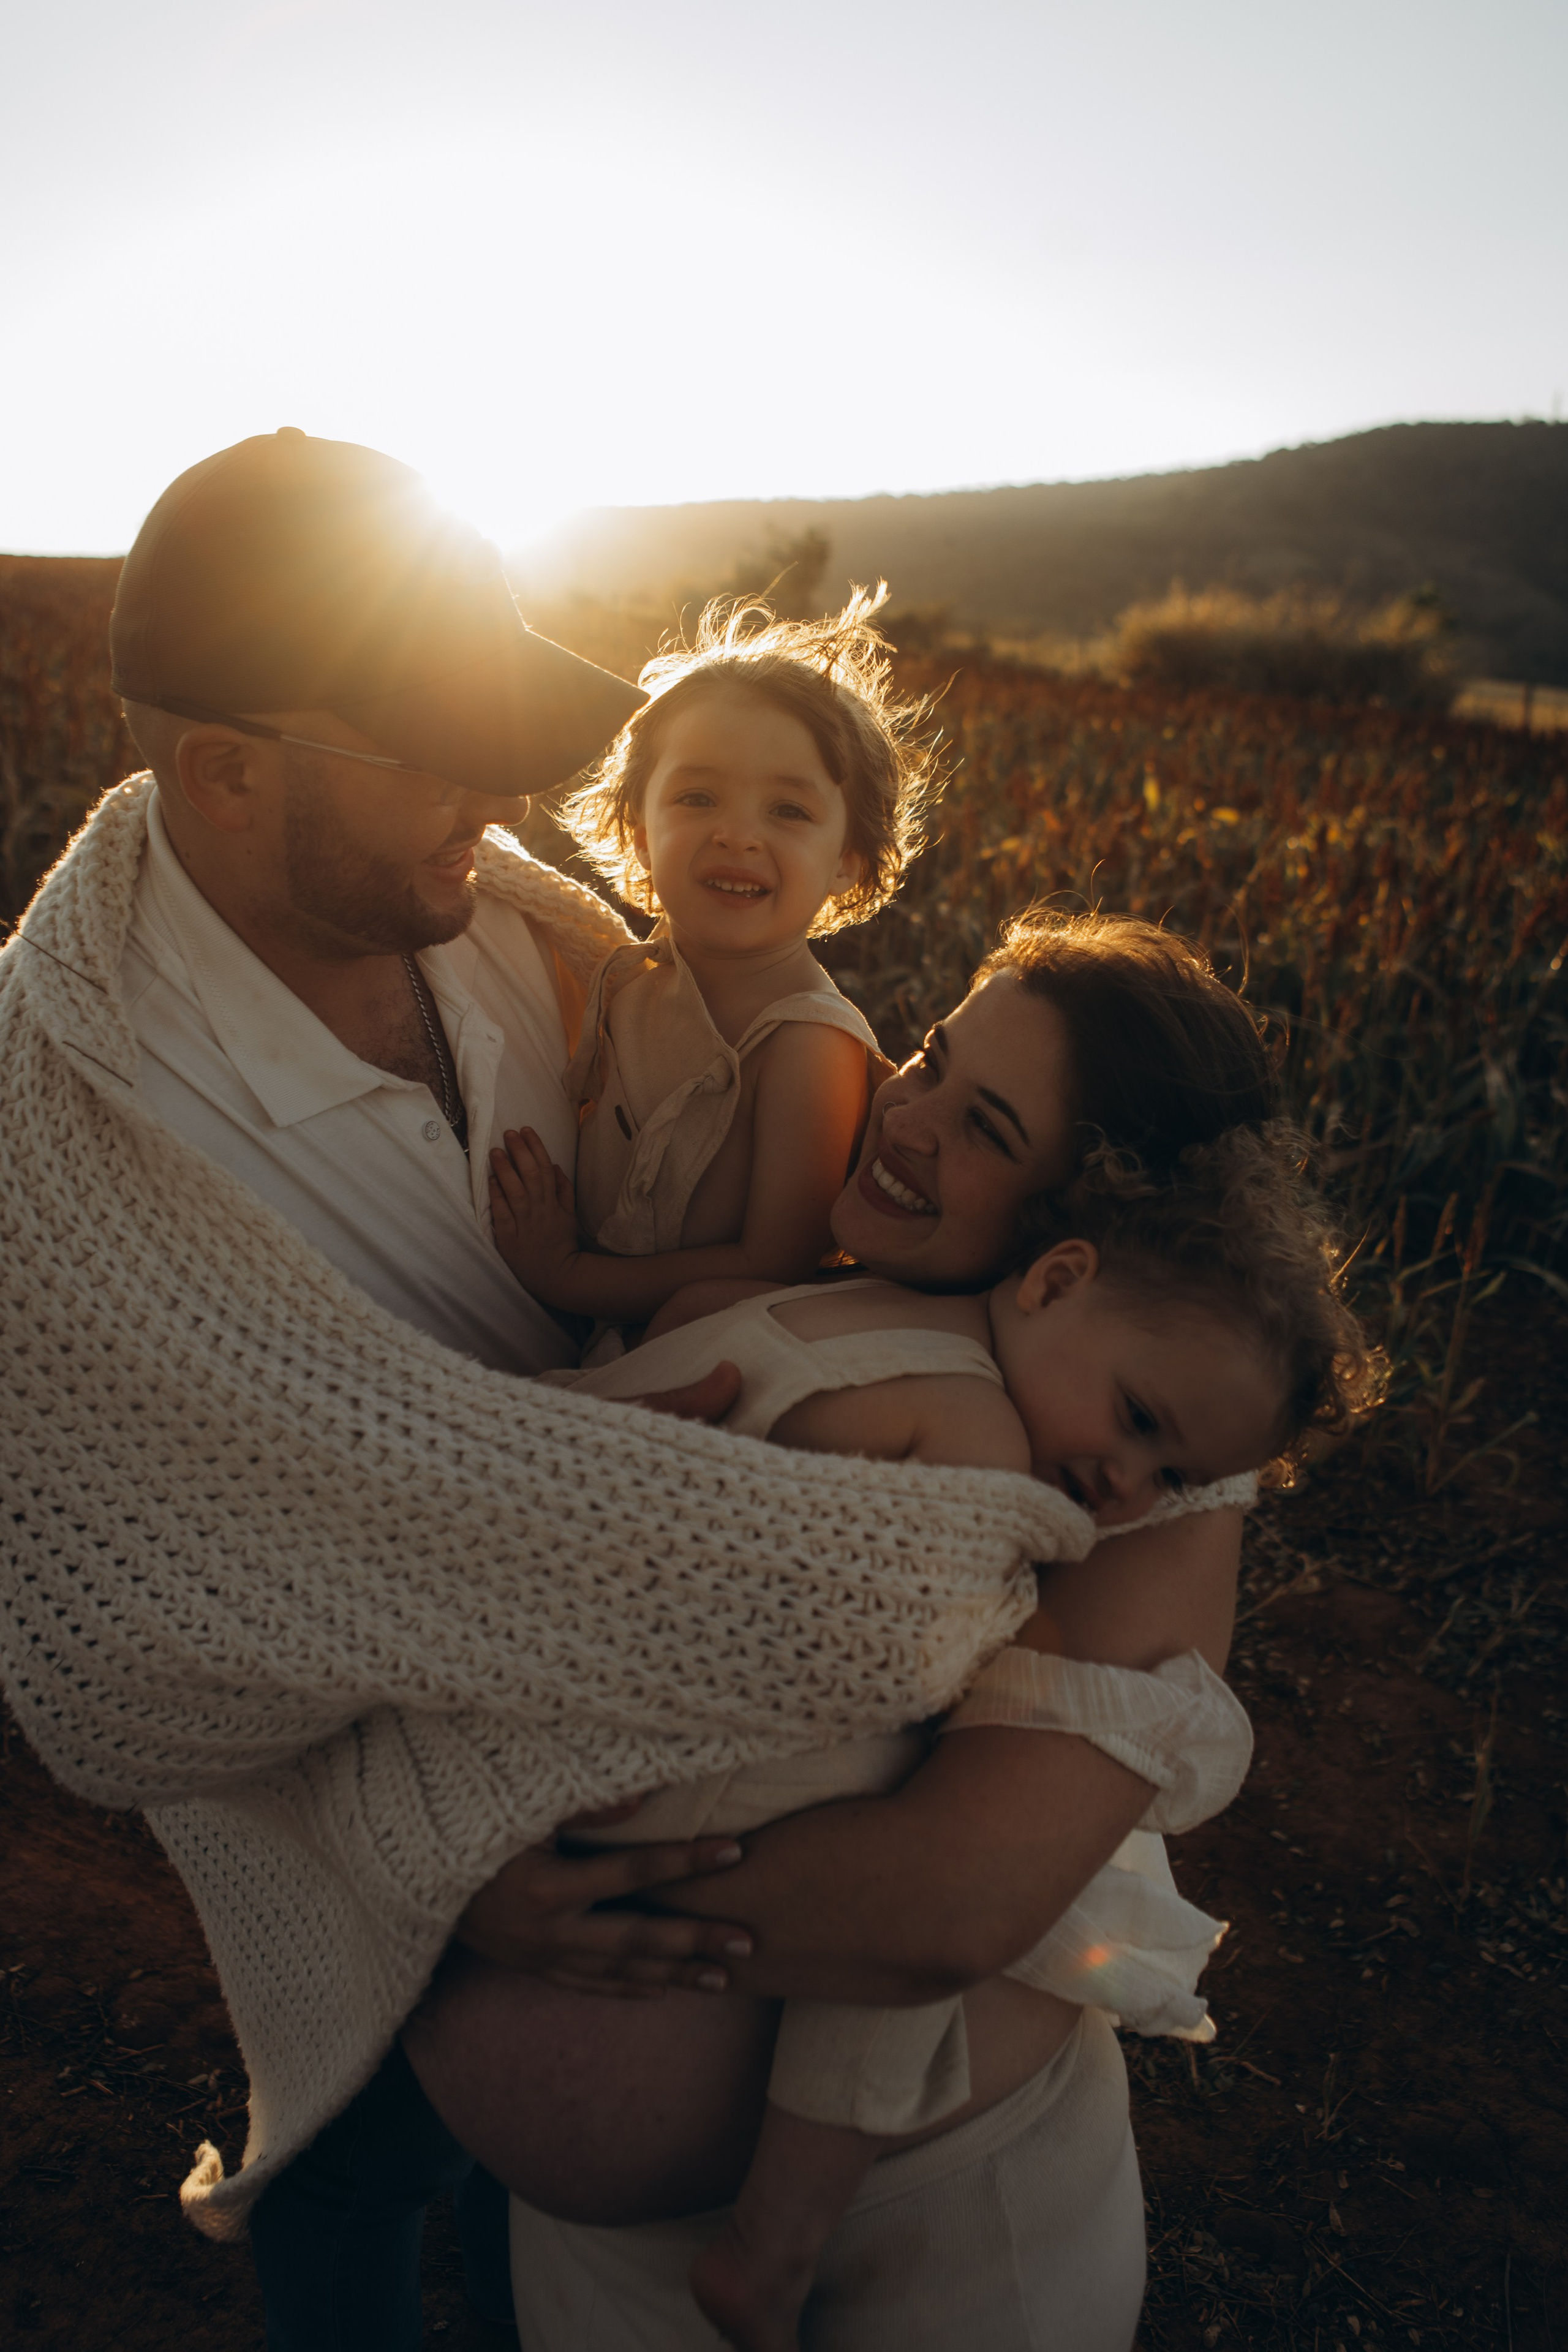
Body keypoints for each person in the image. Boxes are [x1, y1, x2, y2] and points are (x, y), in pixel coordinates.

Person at [0, 434, 1178, 2352]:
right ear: (224, 769)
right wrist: (437, 1855)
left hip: (629, 1746)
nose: (505, 795)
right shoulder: (73, 1143)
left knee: (480, 2178)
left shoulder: (484, 920)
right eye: (433, 745)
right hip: (382, 1803)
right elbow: (130, 1638)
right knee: (359, 2172)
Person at [414, 1114, 1376, 2350]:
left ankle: (777, 2234)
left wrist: (474, 1875)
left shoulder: (859, 1343)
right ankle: (774, 2236)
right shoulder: (947, 1423)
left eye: (1173, 1478)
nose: (1128, 1490)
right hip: (601, 2231)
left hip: (941, 2252)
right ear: (1055, 1275)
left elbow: (938, 1906)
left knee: (899, 1954)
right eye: (1133, 1422)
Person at [489, 590, 935, 1329]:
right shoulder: (624, 979)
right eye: (697, 797)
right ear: (638, 830)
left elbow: (773, 1263)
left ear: (848, 862)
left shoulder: (805, 1042)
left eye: (788, 811)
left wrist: (568, 1277)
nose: (737, 835)